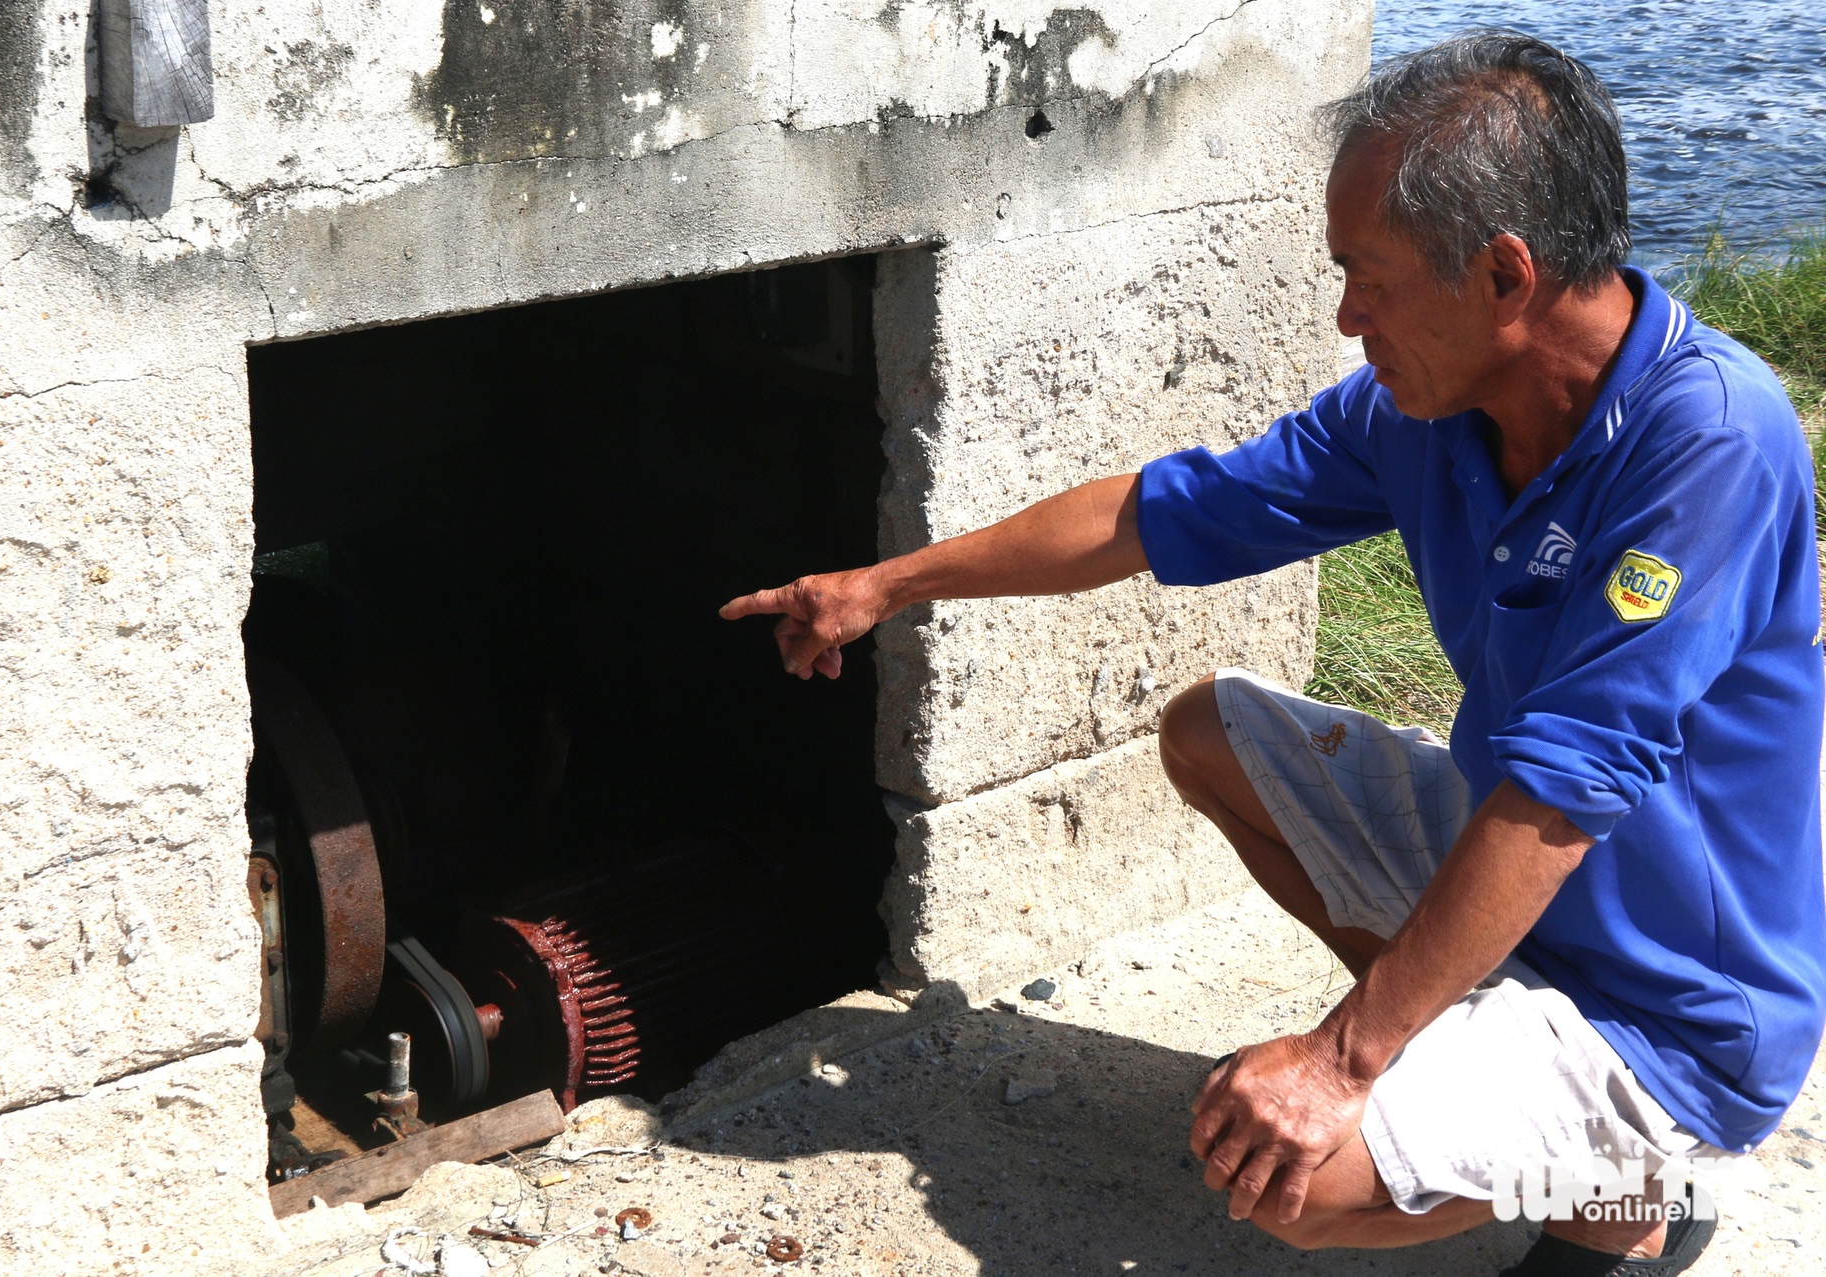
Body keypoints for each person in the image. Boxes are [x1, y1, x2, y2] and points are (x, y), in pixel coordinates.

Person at [719, 30, 1825, 1276]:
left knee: (1287, 1178)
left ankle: (1626, 1182)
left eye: (1370, 277)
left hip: (1675, 997)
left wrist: (1339, 1058)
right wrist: (887, 583)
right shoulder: (1426, 411)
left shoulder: (1708, 443)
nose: (1345, 314)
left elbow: (1562, 792)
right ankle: (1470, 1052)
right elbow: (1155, 512)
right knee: (1209, 731)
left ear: (1504, 276)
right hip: (1533, 890)